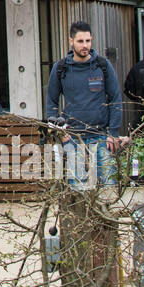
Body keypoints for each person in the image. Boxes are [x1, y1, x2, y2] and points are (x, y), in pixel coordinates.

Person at [45, 21, 123, 187]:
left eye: (88, 41)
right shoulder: (60, 68)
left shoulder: (102, 66)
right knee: (78, 190)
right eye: (80, 41)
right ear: (71, 41)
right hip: (73, 138)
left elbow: (115, 99)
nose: (85, 45)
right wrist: (61, 133)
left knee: (108, 187)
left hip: (102, 137)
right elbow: (51, 102)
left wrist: (113, 133)